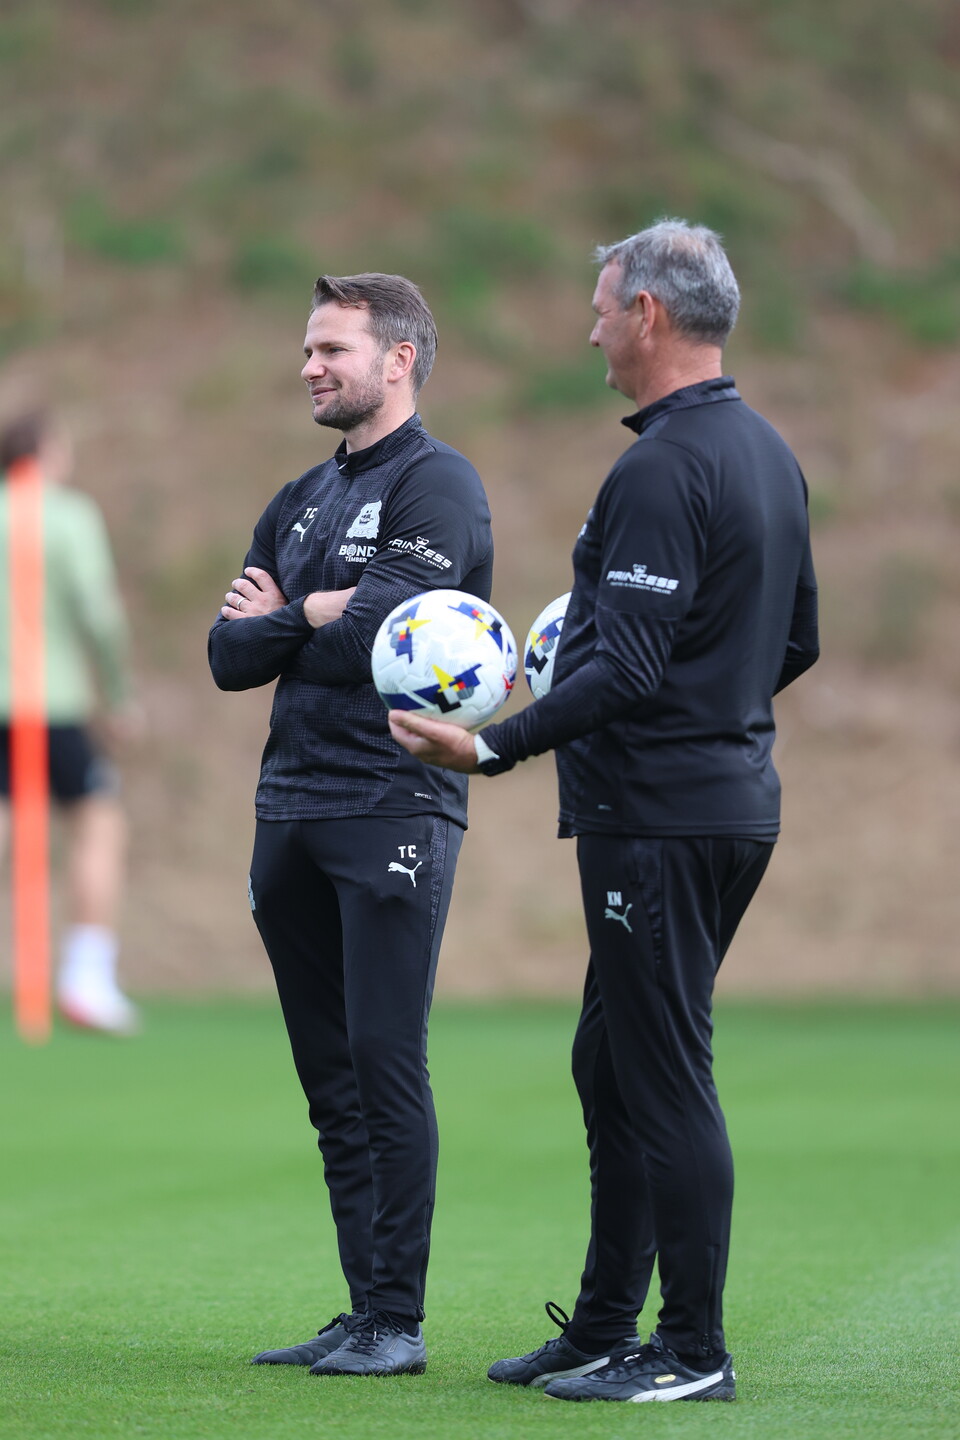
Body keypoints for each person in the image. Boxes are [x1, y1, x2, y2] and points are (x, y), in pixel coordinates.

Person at [390, 221, 820, 1404]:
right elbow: (797, 640)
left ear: (648, 316)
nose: (587, 326)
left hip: (661, 820)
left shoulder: (659, 468)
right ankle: (601, 1327)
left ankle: (690, 1353)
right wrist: (711, 714)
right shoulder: (768, 454)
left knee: (662, 1070)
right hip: (729, 805)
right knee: (612, 1060)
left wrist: (487, 745)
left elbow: (623, 672)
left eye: (599, 305)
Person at [208, 273, 494, 1378]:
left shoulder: (441, 488)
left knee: (384, 1058)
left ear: (400, 359)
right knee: (329, 1075)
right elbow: (229, 657)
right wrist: (310, 615)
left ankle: (399, 1321)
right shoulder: (300, 498)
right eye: (309, 349)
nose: (311, 366)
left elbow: (379, 640)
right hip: (289, 809)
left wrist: (303, 614)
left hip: (392, 804)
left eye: (333, 348)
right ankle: (363, 1303)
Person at [0, 411, 139, 1036]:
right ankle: (87, 979)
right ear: (46, 452)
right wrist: (119, 693)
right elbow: (99, 613)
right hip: (49, 704)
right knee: (99, 823)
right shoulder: (68, 514)